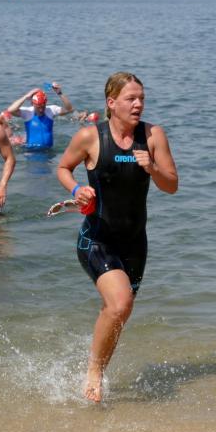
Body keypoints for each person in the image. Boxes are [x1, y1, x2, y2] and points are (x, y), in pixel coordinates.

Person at [56, 72, 178, 403]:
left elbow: (171, 185)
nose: (138, 104)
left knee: (119, 312)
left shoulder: (153, 136)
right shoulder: (90, 137)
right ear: (112, 103)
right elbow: (63, 168)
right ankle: (93, 375)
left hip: (135, 243)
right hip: (97, 238)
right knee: (120, 303)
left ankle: (97, 372)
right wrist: (77, 190)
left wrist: (152, 168)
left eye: (142, 99)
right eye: (131, 99)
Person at [5, 82, 73, 150]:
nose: (41, 109)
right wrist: (26, 96)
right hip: (30, 151)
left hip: (48, 151)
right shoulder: (28, 112)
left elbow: (69, 109)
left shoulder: (51, 110)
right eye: (38, 107)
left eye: (43, 106)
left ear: (45, 103)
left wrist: (60, 93)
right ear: (32, 104)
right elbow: (10, 110)